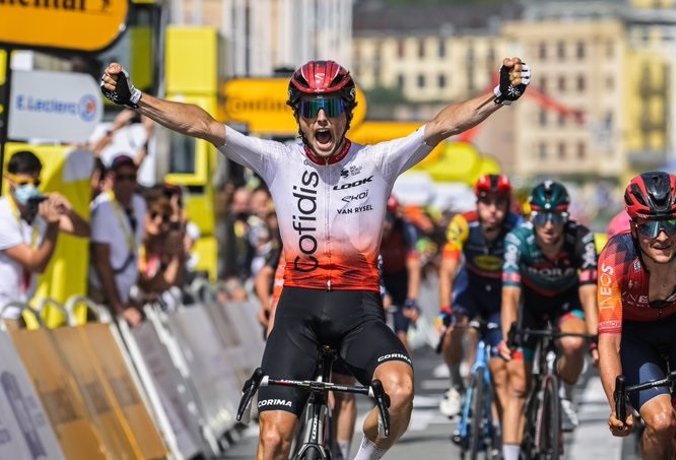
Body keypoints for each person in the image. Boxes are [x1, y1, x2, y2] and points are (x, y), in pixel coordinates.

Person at [101, 56, 531, 459]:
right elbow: (203, 125)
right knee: (273, 439)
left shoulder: (376, 161)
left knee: (399, 392)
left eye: (329, 106)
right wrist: (134, 98)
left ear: (347, 111)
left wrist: (498, 94)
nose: (320, 117)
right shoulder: (277, 161)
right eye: (310, 108)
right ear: (298, 116)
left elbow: (442, 125)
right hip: (297, 313)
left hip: (358, 310)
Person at [499, 180, 598, 460]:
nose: (549, 225)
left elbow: (590, 295)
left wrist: (595, 342)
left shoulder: (581, 238)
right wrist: (509, 338)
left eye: (556, 216)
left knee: (574, 343)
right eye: (541, 217)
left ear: (566, 216)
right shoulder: (518, 239)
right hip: (529, 306)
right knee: (517, 385)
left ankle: (564, 394)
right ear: (532, 217)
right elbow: (509, 296)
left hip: (565, 304)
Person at [599, 172, 676, 459]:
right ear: (635, 228)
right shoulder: (617, 257)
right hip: (637, 339)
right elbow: (609, 343)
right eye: (650, 227)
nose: (662, 236)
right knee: (661, 421)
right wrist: (618, 406)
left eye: (672, 223)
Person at [436, 174, 520, 425]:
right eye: (486, 202)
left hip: (501, 295)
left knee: (501, 361)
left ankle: (499, 428)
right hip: (470, 289)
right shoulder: (462, 224)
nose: (493, 210)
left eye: (499, 203)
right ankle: (455, 386)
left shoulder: (517, 227)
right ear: (477, 203)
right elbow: (447, 270)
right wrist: (444, 309)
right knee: (451, 331)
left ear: (507, 205)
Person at [0, 150, 90, 328]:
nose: (31, 188)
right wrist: (53, 227)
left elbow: (84, 231)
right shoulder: (3, 215)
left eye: (36, 182)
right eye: (24, 183)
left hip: (18, 309)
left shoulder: (39, 209)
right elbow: (36, 264)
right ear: (9, 180)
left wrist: (69, 210)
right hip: (3, 311)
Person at [89, 154, 147, 327]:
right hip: (103, 292)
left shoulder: (139, 203)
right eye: (121, 178)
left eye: (131, 177)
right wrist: (118, 306)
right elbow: (102, 262)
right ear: (112, 179)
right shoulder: (103, 208)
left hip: (124, 290)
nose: (127, 183)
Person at [380, 195, 421, 350]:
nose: (385, 225)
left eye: (389, 219)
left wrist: (412, 300)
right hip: (378, 278)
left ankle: (407, 372)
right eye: (382, 219)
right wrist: (381, 291)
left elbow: (414, 268)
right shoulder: (368, 230)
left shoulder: (406, 229)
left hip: (400, 280)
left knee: (402, 336)